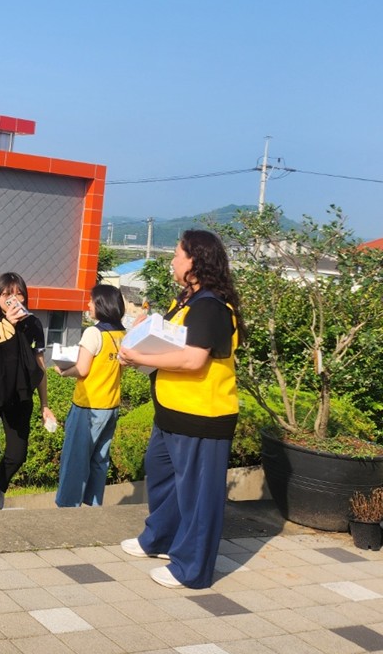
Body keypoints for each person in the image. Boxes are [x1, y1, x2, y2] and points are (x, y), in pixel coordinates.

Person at [118, 230, 244, 589]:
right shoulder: (186, 301)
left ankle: (192, 568)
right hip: (172, 412)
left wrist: (139, 356)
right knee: (163, 478)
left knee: (198, 496)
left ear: (195, 261)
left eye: (177, 254)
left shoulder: (210, 306)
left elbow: (192, 360)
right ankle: (160, 539)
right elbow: (169, 345)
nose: (172, 261)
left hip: (202, 415)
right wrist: (141, 337)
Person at [0, 273, 55, 511]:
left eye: (19, 294)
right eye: (7, 294)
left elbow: (40, 364)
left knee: (17, 454)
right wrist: (7, 324)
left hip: (20, 393)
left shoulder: (33, 324)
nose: (14, 299)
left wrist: (45, 404)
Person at [55, 284, 126, 507]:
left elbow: (83, 369)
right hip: (110, 405)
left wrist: (63, 371)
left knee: (74, 462)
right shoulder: (121, 334)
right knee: (99, 462)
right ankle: (93, 509)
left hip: (88, 406)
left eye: (91, 300)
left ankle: (67, 509)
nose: (88, 304)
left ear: (102, 304)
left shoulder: (93, 333)